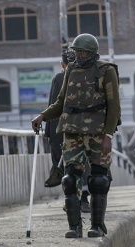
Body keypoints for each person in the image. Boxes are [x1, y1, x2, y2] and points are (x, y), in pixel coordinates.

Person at [31, 33, 121, 238]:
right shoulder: (70, 69)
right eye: (76, 51)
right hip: (72, 131)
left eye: (82, 52)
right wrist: (43, 116)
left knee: (99, 180)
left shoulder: (106, 71)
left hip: (98, 132)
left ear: (91, 53)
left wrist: (108, 134)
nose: (78, 55)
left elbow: (114, 106)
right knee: (70, 179)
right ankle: (74, 226)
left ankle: (97, 226)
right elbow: (61, 102)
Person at [44, 50, 91, 213]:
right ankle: (83, 199)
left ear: (62, 64)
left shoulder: (59, 79)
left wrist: (49, 134)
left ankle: (71, 200)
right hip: (85, 129)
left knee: (67, 166)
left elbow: (54, 105)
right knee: (83, 163)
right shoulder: (88, 76)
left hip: (62, 130)